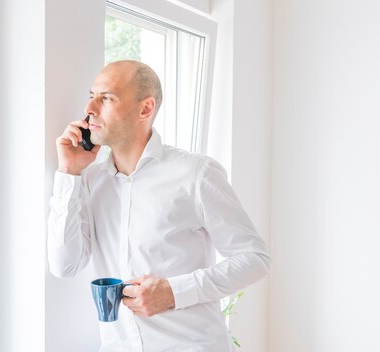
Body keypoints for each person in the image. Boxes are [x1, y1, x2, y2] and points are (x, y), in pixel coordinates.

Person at [47, 60, 271, 352]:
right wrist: (69, 173)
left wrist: (174, 292)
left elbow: (255, 258)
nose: (90, 108)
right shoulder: (90, 180)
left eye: (107, 98)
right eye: (91, 96)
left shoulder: (195, 174)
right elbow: (64, 265)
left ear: (145, 109)